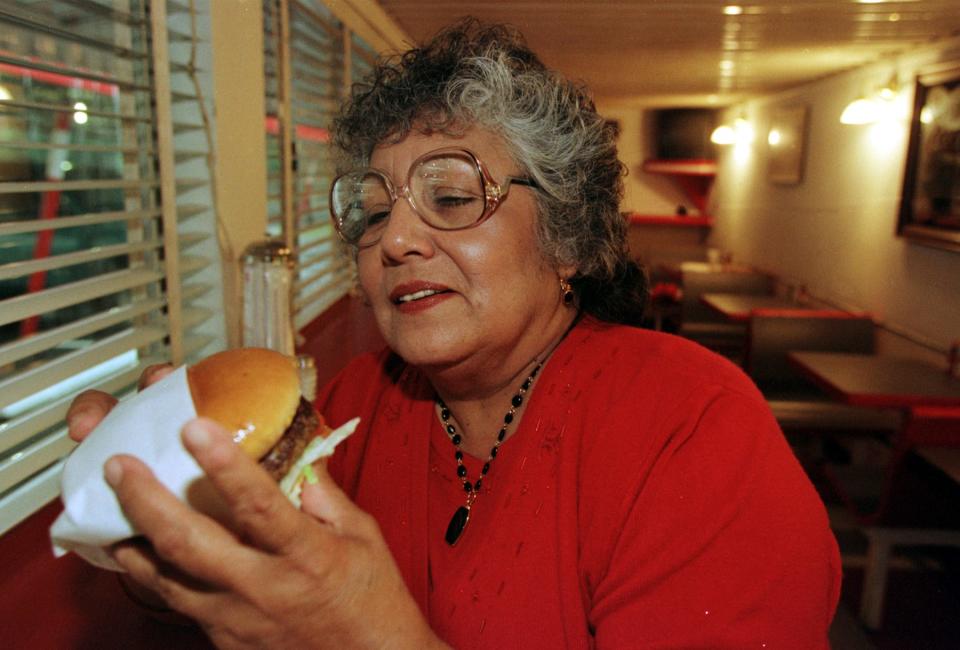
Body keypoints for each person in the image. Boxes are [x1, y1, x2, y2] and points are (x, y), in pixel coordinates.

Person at [66, 19, 840, 649]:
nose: (395, 238)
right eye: (372, 211)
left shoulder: (694, 428)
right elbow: (264, 587)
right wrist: (162, 538)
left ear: (566, 239)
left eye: (451, 194)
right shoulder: (349, 406)